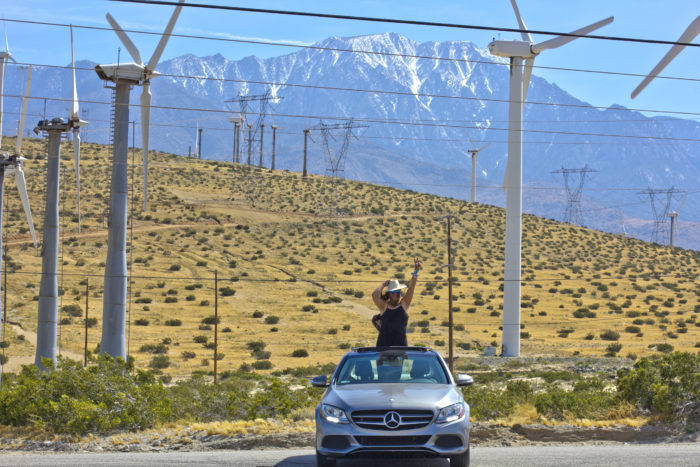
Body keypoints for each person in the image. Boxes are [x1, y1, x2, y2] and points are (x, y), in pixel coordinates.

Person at [372, 258, 421, 347]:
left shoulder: (404, 304)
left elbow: (411, 288)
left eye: (398, 291)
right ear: (389, 294)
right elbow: (374, 295)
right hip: (383, 349)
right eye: (394, 292)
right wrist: (383, 285)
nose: (397, 294)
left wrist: (416, 271)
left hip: (401, 349)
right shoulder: (384, 306)